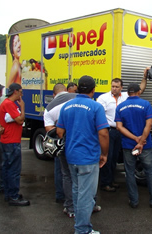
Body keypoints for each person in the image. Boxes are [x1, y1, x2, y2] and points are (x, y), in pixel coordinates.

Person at [57, 75, 109, 234]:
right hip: (88, 158)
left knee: (77, 192)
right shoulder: (95, 107)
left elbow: (60, 132)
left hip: (71, 156)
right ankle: (82, 230)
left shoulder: (66, 106)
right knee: (87, 196)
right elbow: (104, 134)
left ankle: (80, 227)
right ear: (93, 90)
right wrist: (104, 154)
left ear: (78, 88)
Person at [115, 83, 152, 209]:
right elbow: (149, 125)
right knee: (150, 172)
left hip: (128, 145)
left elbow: (119, 127)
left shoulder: (120, 107)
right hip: (145, 146)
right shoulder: (146, 104)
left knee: (130, 172)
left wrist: (134, 139)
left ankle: (134, 201)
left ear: (128, 93)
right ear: (138, 92)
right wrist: (141, 141)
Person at [96, 68, 148, 192]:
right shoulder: (103, 98)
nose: (114, 88)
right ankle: (105, 183)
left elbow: (140, 89)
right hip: (110, 131)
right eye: (113, 86)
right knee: (107, 157)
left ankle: (111, 180)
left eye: (117, 87)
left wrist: (145, 77)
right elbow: (99, 116)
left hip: (122, 131)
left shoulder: (125, 96)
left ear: (121, 88)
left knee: (115, 158)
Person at [44, 83, 77, 217]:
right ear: (66, 90)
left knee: (65, 174)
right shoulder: (76, 98)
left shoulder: (49, 108)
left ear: (54, 94)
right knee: (81, 174)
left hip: (63, 142)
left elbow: (49, 130)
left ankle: (64, 201)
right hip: (79, 141)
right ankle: (86, 203)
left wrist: (62, 133)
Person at [0, 83, 30, 206]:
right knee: (14, 170)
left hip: (8, 140)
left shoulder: (7, 104)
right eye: (21, 92)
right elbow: (20, 120)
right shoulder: (9, 104)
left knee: (7, 168)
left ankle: (9, 193)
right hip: (11, 141)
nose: (22, 94)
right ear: (15, 92)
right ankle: (13, 196)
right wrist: (22, 107)